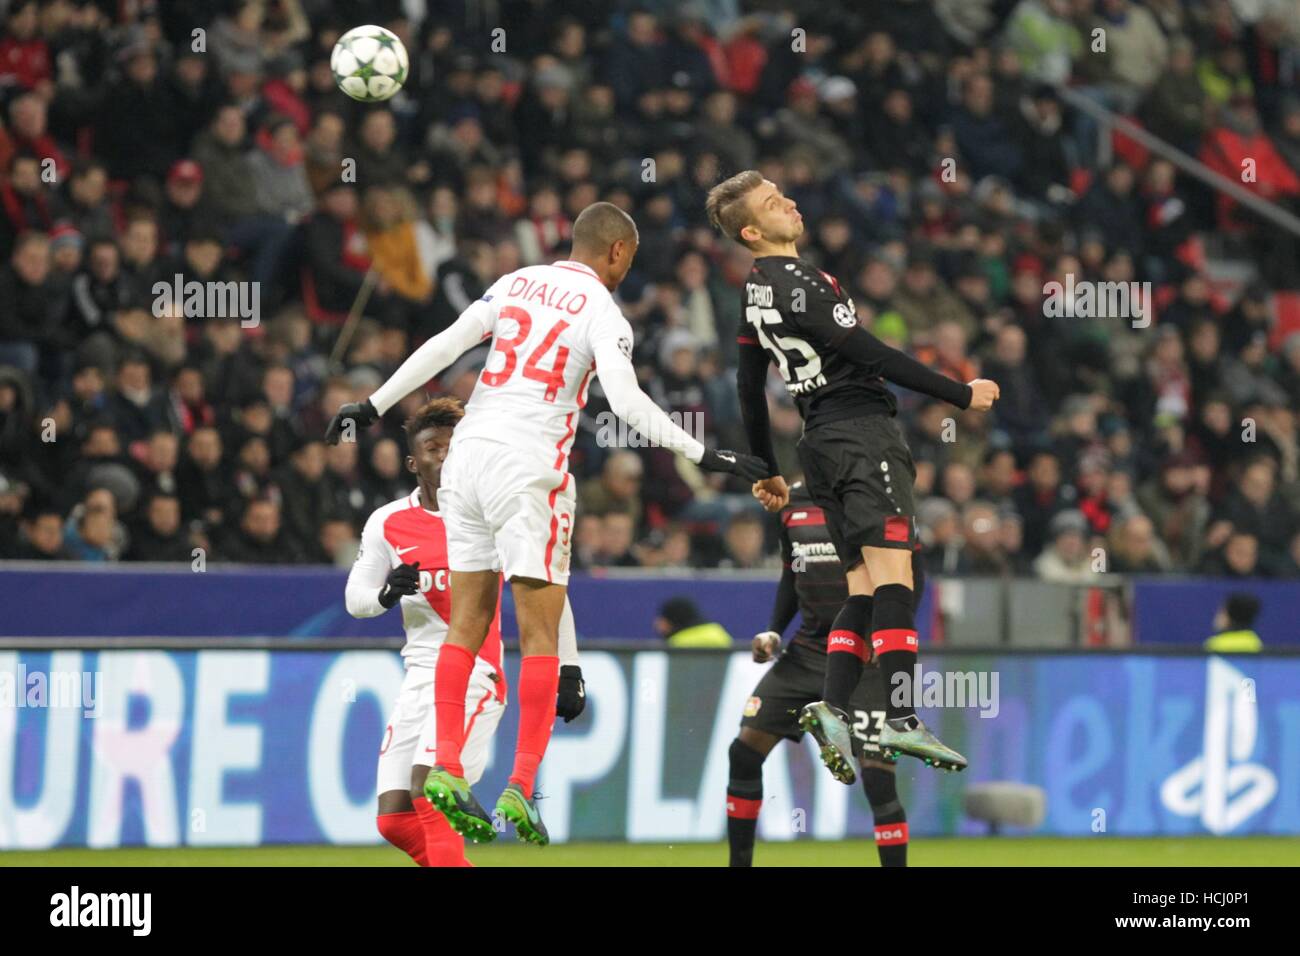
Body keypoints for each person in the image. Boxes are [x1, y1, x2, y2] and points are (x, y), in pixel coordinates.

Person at [325, 202, 768, 845]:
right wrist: (709, 454)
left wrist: (372, 403)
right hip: (530, 468)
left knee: (469, 622)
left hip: (468, 459)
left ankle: (446, 766)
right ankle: (521, 787)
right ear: (617, 252)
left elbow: (447, 345)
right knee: (537, 634)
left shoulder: (514, 283)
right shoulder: (604, 314)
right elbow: (627, 404)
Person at [706, 170, 1000, 780]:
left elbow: (748, 384)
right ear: (753, 230)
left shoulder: (753, 290)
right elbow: (869, 351)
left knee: (863, 587)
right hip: (862, 435)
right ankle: (898, 713)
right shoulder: (800, 280)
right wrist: (958, 393)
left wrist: (768, 470)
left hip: (817, 444)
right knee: (898, 575)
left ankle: (834, 708)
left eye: (782, 192)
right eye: (772, 203)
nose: (789, 202)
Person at [345, 397, 586, 865]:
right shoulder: (388, 522)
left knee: (431, 789)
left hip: (476, 675)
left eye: (453, 447)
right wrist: (386, 594)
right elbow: (356, 599)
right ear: (414, 462)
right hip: (418, 678)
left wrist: (570, 665)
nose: (444, 456)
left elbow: (549, 595)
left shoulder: (491, 518)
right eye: (433, 448)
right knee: (393, 819)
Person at [730, 481, 917, 867]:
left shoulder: (875, 497)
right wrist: (774, 631)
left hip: (865, 660)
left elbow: (913, 575)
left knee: (879, 779)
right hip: (808, 652)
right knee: (744, 753)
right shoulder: (789, 503)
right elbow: (790, 575)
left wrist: (890, 638)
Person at [655, 597, 732, 647]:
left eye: (662, 620)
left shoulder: (676, 644)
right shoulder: (718, 632)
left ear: (671, 621)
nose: (657, 624)